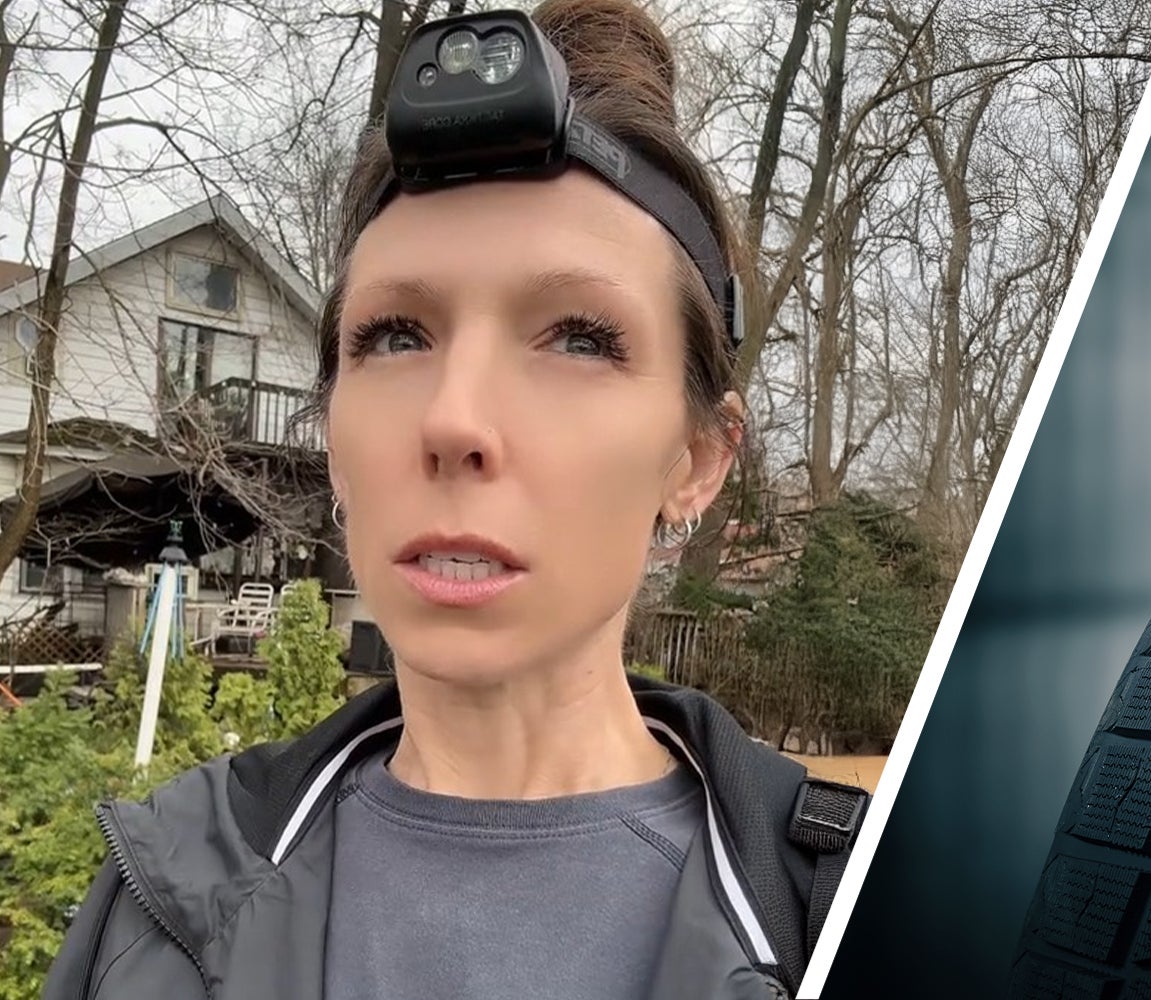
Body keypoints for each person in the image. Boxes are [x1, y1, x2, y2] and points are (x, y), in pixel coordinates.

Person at [42, 2, 863, 998]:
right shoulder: (156, 898)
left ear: (695, 458)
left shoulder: (857, 904)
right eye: (395, 337)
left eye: (575, 337)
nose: (452, 418)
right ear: (337, 444)